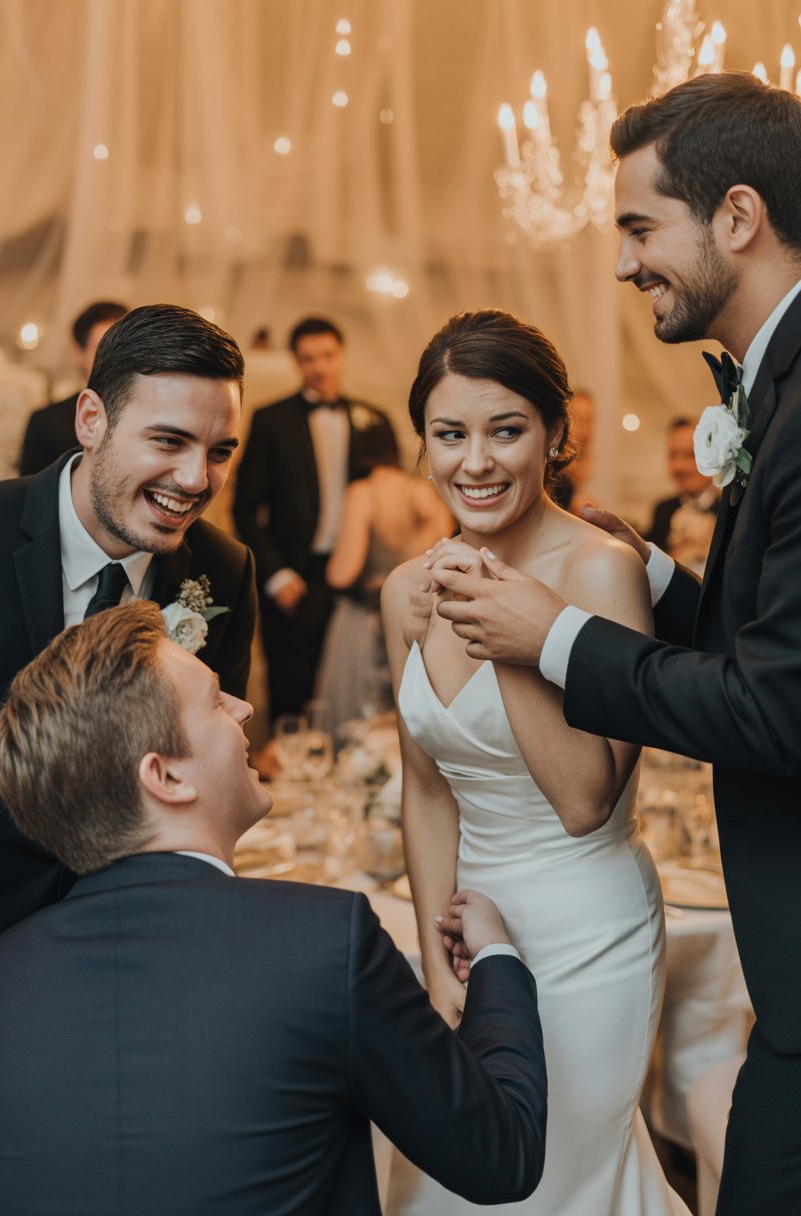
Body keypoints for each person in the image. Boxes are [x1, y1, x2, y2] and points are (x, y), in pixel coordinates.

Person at [429, 72, 801, 1216]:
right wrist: (653, 581)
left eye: (641, 227)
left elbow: (776, 708)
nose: (624, 263)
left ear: (735, 217)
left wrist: (554, 636)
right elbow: (769, 642)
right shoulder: (773, 388)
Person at [0, 600, 548, 1216]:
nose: (245, 709)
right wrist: (496, 960)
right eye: (216, 702)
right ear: (166, 778)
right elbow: (501, 1156)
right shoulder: (325, 942)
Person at [382, 309, 689, 1216]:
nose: (475, 462)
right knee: (455, 1177)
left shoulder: (601, 571)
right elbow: (426, 791)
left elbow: (586, 799)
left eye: (505, 431)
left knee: (562, 1178)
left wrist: (506, 629)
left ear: (555, 434)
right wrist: (436, 957)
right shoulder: (406, 587)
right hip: (468, 927)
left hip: (588, 928)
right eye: (450, 434)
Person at [0, 302, 256, 952]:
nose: (195, 480)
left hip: (141, 938)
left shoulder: (224, 571)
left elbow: (206, 779)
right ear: (91, 420)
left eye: (219, 452)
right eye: (169, 441)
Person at [232, 315, 397, 721]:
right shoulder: (270, 420)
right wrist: (274, 574)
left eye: (327, 355)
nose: (319, 367)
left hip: (359, 583)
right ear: (295, 361)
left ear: (342, 355)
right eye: (308, 359)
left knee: (356, 692)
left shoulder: (375, 421)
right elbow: (244, 507)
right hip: (295, 578)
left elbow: (394, 502)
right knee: (291, 691)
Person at [315, 425, 453, 727]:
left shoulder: (363, 492)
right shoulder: (425, 492)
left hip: (368, 621)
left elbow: (341, 574)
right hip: (421, 619)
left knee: (359, 723)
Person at [19, 300, 128, 475]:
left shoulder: (152, 413)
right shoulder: (47, 422)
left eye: (125, 349)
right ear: (78, 352)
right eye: (103, 349)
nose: (117, 359)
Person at [645, 416, 718, 573]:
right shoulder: (662, 510)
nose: (679, 466)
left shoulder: (730, 509)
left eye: (690, 455)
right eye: (672, 456)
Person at [552, 387, 596, 513]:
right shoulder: (551, 469)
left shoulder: (583, 465)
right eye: (578, 421)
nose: (585, 431)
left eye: (589, 421)